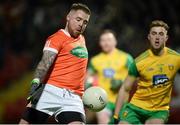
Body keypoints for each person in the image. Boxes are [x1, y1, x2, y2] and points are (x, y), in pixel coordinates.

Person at [19, 3, 91, 124]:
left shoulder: (82, 39)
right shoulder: (56, 38)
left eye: (85, 22)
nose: (81, 24)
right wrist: (35, 83)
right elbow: (45, 63)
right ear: (68, 17)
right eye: (78, 19)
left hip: (73, 98)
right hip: (49, 91)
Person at [113, 20, 180, 124]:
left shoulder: (176, 58)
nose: (157, 37)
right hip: (135, 108)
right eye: (154, 33)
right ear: (149, 37)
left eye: (161, 34)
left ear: (166, 38)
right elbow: (125, 89)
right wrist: (116, 115)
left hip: (159, 111)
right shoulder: (138, 62)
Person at [87, 29, 133, 124]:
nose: (106, 43)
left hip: (122, 102)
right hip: (102, 101)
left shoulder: (126, 58)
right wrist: (87, 83)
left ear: (115, 41)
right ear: (99, 43)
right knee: (103, 120)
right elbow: (88, 76)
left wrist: (122, 83)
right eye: (103, 40)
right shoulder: (95, 60)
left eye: (108, 40)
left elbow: (136, 76)